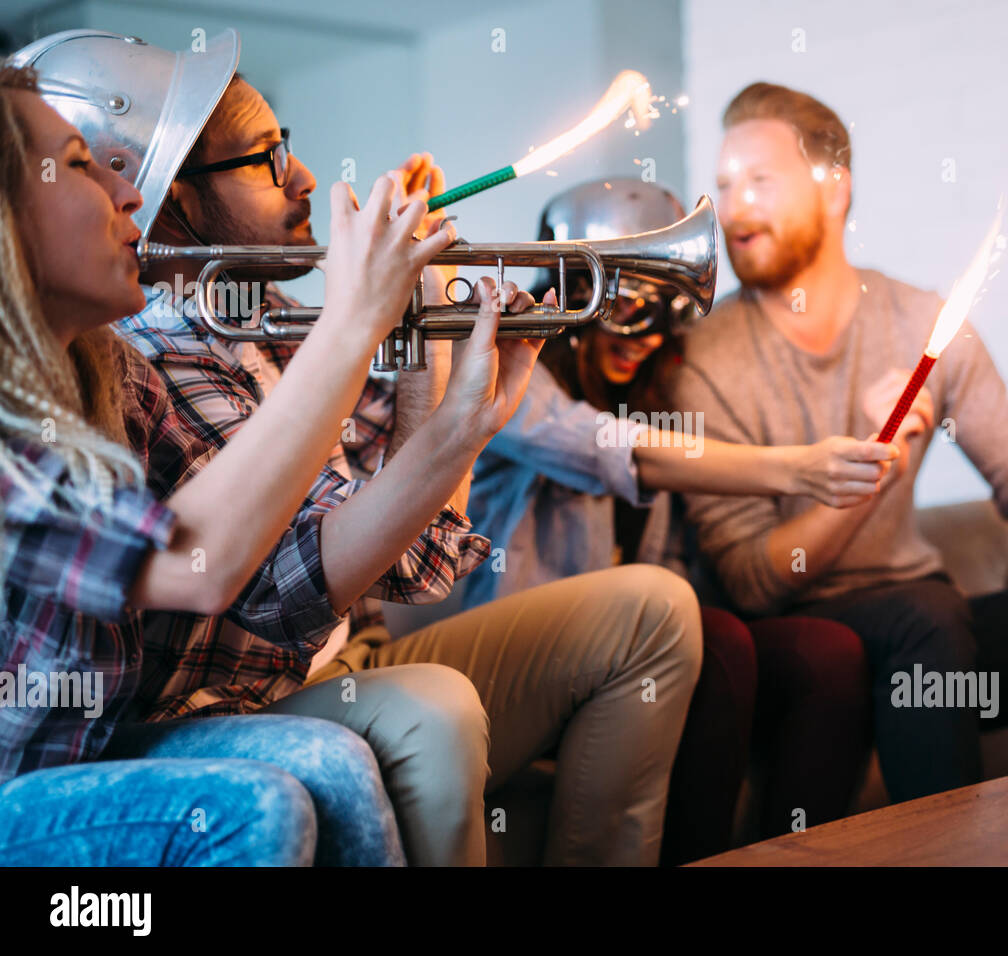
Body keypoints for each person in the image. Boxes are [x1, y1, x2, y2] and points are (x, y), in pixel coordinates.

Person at [27, 30, 703, 865]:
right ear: (176, 202)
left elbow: (415, 561)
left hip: (328, 661)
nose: (306, 177)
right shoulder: (142, 359)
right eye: (269, 158)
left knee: (654, 607)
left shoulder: (255, 336)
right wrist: (372, 335)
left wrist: (428, 340)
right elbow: (264, 588)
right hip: (221, 701)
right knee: (427, 710)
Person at [671, 81, 1008, 804]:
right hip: (805, 644)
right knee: (925, 616)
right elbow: (755, 580)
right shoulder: (704, 356)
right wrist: (881, 454)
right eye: (723, 186)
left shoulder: (925, 320)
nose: (734, 208)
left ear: (834, 190)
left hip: (934, 635)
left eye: (759, 181)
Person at [0, 60, 451, 865]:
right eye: (77, 166)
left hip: (91, 753)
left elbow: (302, 560)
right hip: (20, 787)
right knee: (257, 806)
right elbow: (196, 566)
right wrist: (354, 320)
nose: (129, 194)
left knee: (335, 770)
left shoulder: (115, 375)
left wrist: (468, 409)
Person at [464, 177, 898, 861]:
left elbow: (668, 569)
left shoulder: (654, 389)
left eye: (661, 305)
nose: (643, 333)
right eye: (624, 304)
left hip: (638, 648)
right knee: (719, 639)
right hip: (533, 661)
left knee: (829, 654)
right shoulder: (505, 376)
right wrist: (795, 467)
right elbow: (604, 449)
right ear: (571, 296)